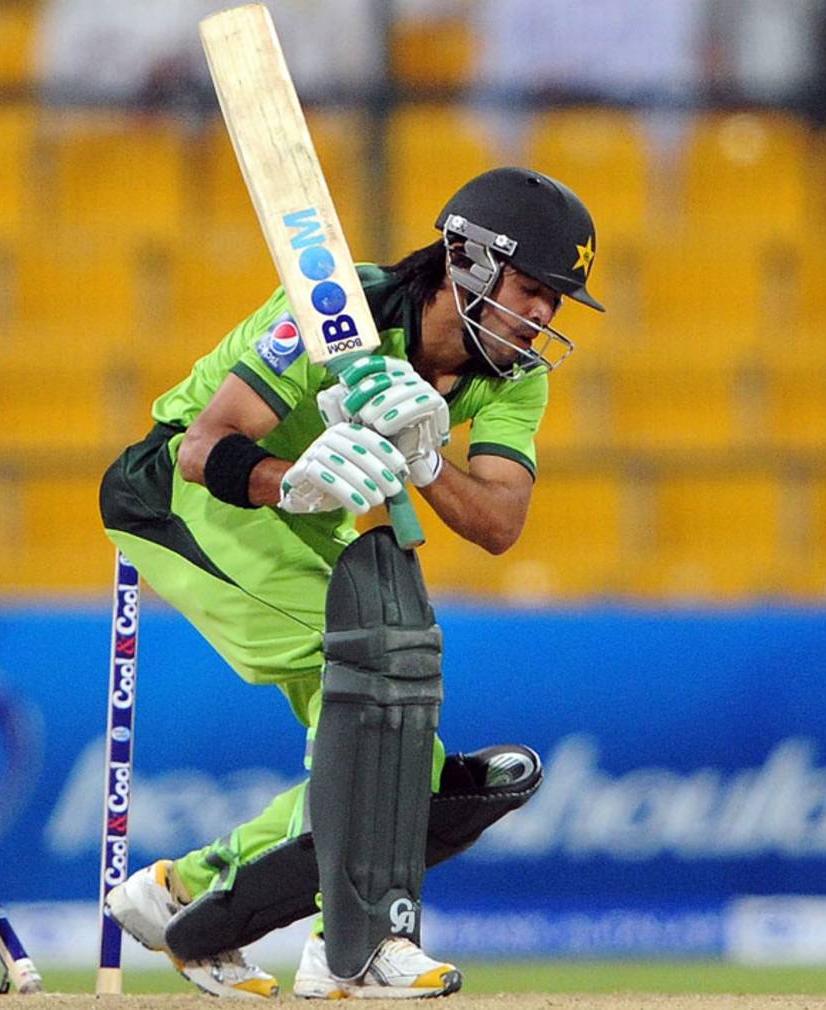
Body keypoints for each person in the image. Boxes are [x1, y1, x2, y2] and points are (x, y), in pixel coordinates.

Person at [98, 167, 601, 999]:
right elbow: (204, 447)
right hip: (183, 497)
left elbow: (500, 523)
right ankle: (351, 947)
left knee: (410, 747)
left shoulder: (515, 376)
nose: (544, 315)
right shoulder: (334, 306)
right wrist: (295, 480)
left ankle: (184, 890)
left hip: (314, 518)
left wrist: (425, 456)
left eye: (557, 300)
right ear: (468, 262)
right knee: (379, 679)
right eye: (533, 288)